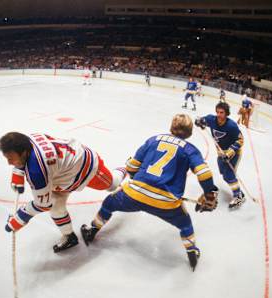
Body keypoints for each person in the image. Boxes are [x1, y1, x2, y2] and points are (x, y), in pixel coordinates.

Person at [80, 114, 219, 271]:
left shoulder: (153, 140)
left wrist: (138, 181)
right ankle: (192, 252)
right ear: (190, 132)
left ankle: (92, 230)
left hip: (134, 195)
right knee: (185, 224)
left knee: (109, 203)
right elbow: (204, 173)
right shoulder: (191, 150)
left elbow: (131, 167)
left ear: (171, 127)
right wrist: (208, 194)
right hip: (166, 204)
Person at [0, 132, 127, 253]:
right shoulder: (28, 139)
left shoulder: (36, 171)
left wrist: (19, 218)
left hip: (85, 167)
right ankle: (69, 236)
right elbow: (26, 161)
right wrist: (18, 171)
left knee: (113, 184)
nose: (9, 163)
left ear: (24, 152)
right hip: (61, 174)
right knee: (56, 206)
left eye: (11, 159)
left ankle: (129, 167)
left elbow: (42, 204)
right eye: (7, 158)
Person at [195, 102, 245, 209]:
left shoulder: (231, 126)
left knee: (228, 175)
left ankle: (238, 196)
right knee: (223, 173)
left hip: (233, 153)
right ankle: (237, 190)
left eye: (221, 112)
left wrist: (229, 153)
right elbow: (202, 120)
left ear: (226, 113)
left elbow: (240, 140)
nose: (218, 114)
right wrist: (199, 122)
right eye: (217, 112)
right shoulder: (211, 119)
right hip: (221, 154)